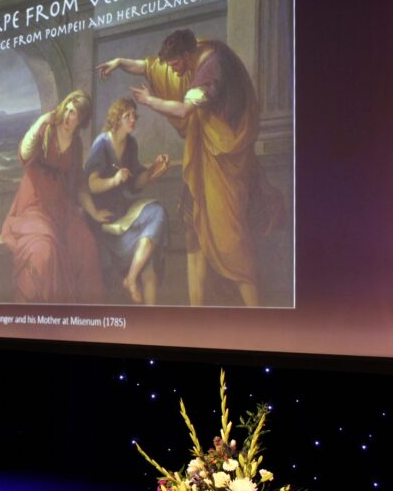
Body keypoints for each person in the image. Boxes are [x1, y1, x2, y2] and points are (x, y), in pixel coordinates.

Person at [96, 29, 283, 306]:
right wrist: (120, 62)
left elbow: (184, 110)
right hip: (203, 163)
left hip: (224, 166)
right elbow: (150, 66)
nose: (173, 72)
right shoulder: (197, 53)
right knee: (192, 226)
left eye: (175, 65)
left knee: (231, 241)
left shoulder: (211, 68)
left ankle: (257, 316)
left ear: (187, 55)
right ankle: (196, 309)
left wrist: (149, 101)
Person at [1, 89, 111, 304]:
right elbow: (24, 154)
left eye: (74, 114)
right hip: (34, 205)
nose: (68, 117)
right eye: (67, 110)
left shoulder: (76, 144)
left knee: (86, 246)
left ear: (81, 120)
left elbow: (79, 184)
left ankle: (85, 320)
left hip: (61, 208)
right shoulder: (47, 130)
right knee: (45, 249)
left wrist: (95, 213)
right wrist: (40, 121)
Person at [85, 97, 170, 304]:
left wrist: (153, 170)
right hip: (106, 221)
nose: (133, 119)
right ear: (116, 119)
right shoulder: (102, 144)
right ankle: (132, 279)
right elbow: (90, 184)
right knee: (148, 268)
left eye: (134, 115)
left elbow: (135, 184)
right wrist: (114, 180)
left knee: (158, 212)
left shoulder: (130, 144)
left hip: (124, 215)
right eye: (127, 116)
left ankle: (131, 279)